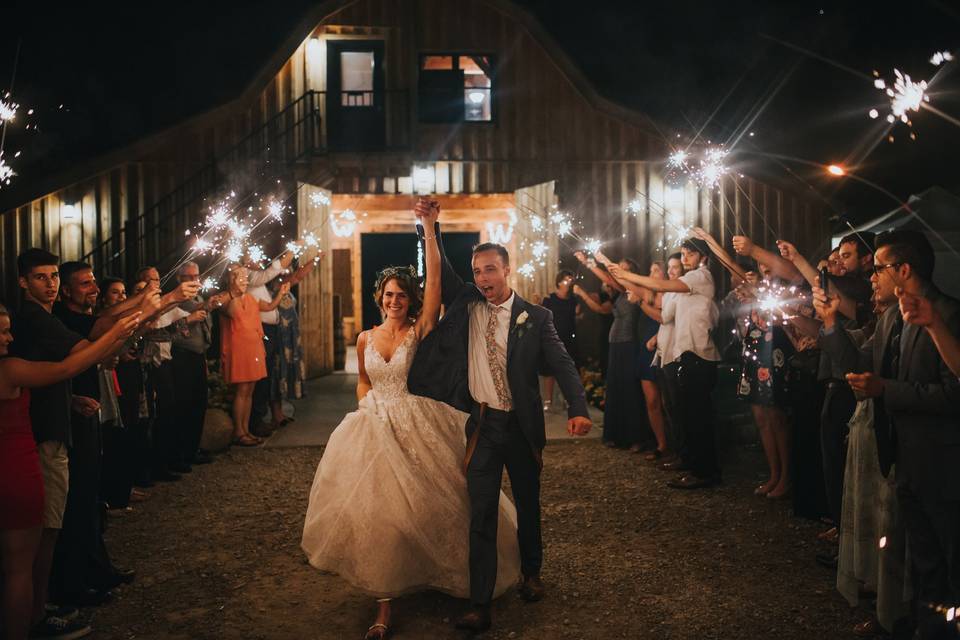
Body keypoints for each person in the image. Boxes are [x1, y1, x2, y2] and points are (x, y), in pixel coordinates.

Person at [302, 201, 521, 640]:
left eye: (402, 295)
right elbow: (363, 383)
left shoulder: (419, 330)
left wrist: (428, 226)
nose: (395, 301)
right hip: (373, 426)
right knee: (379, 513)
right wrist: (367, 405)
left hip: (416, 419)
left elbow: (436, 280)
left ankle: (450, 575)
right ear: (379, 299)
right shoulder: (366, 336)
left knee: (437, 502)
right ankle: (384, 604)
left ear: (411, 300)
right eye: (388, 296)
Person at [407, 202, 592, 633]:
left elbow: (563, 365)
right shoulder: (468, 304)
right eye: (477, 272)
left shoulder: (537, 317)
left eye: (490, 270)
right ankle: (479, 601)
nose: (482, 279)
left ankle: (532, 574)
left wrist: (579, 410)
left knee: (528, 506)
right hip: (484, 428)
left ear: (507, 271)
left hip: (522, 428)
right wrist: (430, 225)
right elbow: (440, 270)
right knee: (482, 513)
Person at [815, 229, 960, 639]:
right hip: (904, 456)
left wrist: (886, 390)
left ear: (904, 269)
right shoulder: (893, 317)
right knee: (921, 560)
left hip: (943, 461)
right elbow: (857, 363)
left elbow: (953, 395)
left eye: (878, 268)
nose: (871, 276)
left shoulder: (947, 314)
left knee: (949, 562)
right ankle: (918, 627)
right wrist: (828, 326)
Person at [0, 302, 138, 640]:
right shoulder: (9, 369)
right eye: (2, 331)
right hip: (15, 470)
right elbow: (67, 367)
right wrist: (116, 333)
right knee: (19, 569)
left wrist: (72, 400)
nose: (10, 336)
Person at [606, 237, 721, 489]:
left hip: (698, 352)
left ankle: (705, 471)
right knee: (687, 415)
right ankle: (692, 464)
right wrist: (620, 276)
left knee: (698, 417)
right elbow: (659, 304)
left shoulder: (701, 276)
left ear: (703, 257)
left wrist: (629, 276)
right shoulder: (685, 286)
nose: (684, 258)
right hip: (684, 353)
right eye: (683, 254)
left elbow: (658, 286)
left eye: (689, 254)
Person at [573, 251, 649, 451]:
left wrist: (590, 262)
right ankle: (617, 435)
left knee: (630, 391)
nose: (620, 272)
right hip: (615, 345)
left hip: (628, 344)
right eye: (620, 268)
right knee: (616, 389)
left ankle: (635, 438)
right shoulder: (621, 293)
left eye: (625, 269)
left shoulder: (633, 288)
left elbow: (608, 278)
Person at [220, 264, 289, 447]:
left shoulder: (251, 298)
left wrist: (281, 293)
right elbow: (233, 312)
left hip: (254, 349)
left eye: (244, 276)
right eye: (238, 276)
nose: (243, 280)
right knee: (241, 392)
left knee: (249, 392)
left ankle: (246, 429)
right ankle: (239, 432)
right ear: (230, 279)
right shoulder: (226, 299)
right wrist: (234, 291)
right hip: (240, 350)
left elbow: (270, 307)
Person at [540, 269, 579, 411]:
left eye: (570, 280)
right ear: (559, 282)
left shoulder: (574, 299)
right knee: (549, 370)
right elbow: (542, 318)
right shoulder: (549, 299)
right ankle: (548, 400)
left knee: (567, 370)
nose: (568, 282)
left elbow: (577, 315)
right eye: (566, 280)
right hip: (552, 338)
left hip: (569, 338)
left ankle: (566, 398)